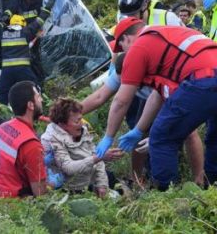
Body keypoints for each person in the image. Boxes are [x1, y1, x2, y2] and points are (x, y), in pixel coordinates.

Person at [96, 17, 217, 190]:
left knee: (161, 138)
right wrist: (138, 130)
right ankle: (212, 187)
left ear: (127, 38)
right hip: (209, 71)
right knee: (215, 137)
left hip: (202, 78)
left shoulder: (138, 47)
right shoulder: (163, 37)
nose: (123, 52)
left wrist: (108, 136)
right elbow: (157, 96)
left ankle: (167, 197)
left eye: (121, 46)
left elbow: (121, 100)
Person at [82, 53, 204, 184]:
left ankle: (200, 178)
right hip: (150, 100)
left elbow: (169, 110)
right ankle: (136, 179)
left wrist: (157, 135)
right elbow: (99, 97)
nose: (126, 82)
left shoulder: (160, 77)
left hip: (172, 96)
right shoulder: (121, 72)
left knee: (189, 133)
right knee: (138, 134)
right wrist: (68, 113)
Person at [0, 81, 47, 205]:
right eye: (38, 96)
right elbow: (40, 194)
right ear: (30, 105)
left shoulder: (1, 128)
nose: (42, 100)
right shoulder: (31, 144)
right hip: (11, 207)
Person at [44, 98, 122, 196]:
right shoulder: (52, 140)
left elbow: (96, 156)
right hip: (72, 189)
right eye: (77, 121)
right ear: (62, 124)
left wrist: (102, 184)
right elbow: (68, 168)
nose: (81, 124)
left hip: (91, 179)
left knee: (114, 182)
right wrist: (99, 157)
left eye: (81, 118)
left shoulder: (82, 129)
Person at [0, 0, 54, 104]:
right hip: (23, 69)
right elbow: (39, 21)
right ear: (22, 24)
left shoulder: (3, 33)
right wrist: (48, 8)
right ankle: (41, 107)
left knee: (2, 95)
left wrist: (1, 22)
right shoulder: (25, 32)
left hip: (7, 71)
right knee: (34, 88)